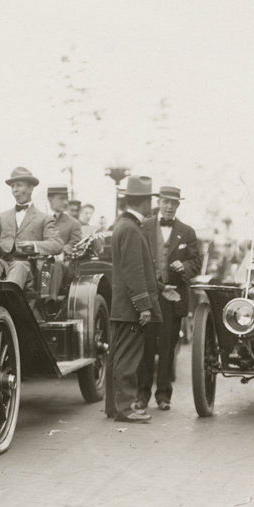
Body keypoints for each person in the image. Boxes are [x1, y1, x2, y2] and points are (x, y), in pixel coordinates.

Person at [135, 185, 201, 412]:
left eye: (174, 203)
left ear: (178, 205)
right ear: (159, 202)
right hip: (149, 295)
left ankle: (163, 395)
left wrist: (183, 266)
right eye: (166, 201)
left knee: (167, 348)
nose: (169, 206)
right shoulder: (144, 227)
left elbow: (196, 262)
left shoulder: (187, 231)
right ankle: (142, 394)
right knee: (144, 346)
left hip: (173, 298)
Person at [107, 176, 162, 423]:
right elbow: (133, 272)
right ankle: (126, 409)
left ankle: (114, 407)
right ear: (145, 203)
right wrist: (144, 306)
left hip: (121, 306)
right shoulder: (131, 228)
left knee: (118, 358)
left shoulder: (123, 225)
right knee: (128, 361)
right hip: (130, 307)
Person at [0, 167, 62, 290]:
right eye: (12, 186)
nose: (15, 190)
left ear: (31, 188)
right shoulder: (0, 217)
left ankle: (7, 304)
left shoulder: (44, 218)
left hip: (27, 268)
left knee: (18, 266)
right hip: (3, 264)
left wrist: (33, 245)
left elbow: (57, 244)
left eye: (19, 185)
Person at [47, 185, 82, 256]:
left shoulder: (73, 223)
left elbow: (74, 244)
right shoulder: (36, 218)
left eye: (67, 199)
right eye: (61, 199)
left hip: (58, 262)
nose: (66, 202)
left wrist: (61, 252)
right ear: (50, 199)